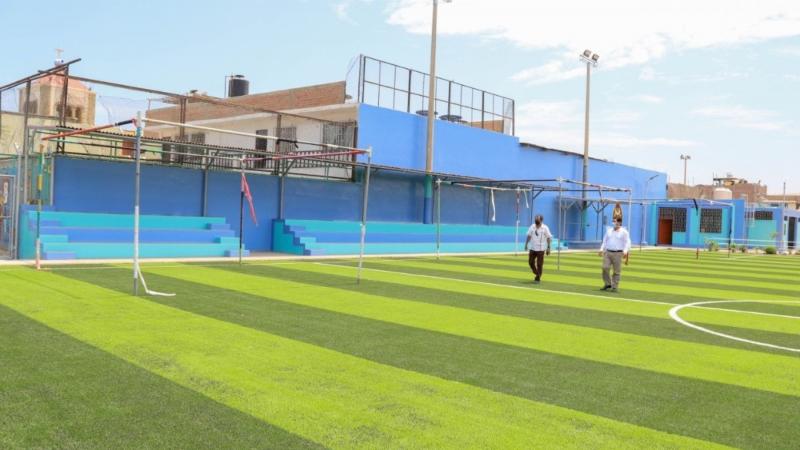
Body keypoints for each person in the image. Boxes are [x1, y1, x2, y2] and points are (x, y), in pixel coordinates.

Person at [599, 217, 630, 292]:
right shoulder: (609, 231)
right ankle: (607, 283)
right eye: (613, 221)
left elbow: (627, 242)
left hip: (618, 253)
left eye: (615, 221)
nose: (614, 223)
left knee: (616, 271)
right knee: (605, 267)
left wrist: (625, 251)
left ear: (619, 223)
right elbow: (605, 241)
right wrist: (601, 249)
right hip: (608, 252)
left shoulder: (624, 232)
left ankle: (615, 287)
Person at [524, 214, 552, 283]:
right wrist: (526, 244)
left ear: (541, 220)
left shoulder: (545, 228)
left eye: (537, 219)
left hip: (541, 249)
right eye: (535, 218)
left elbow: (548, 237)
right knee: (530, 262)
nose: (536, 219)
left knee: (539, 264)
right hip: (532, 248)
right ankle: (537, 273)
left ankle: (538, 278)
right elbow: (529, 236)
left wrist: (548, 247)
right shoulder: (532, 226)